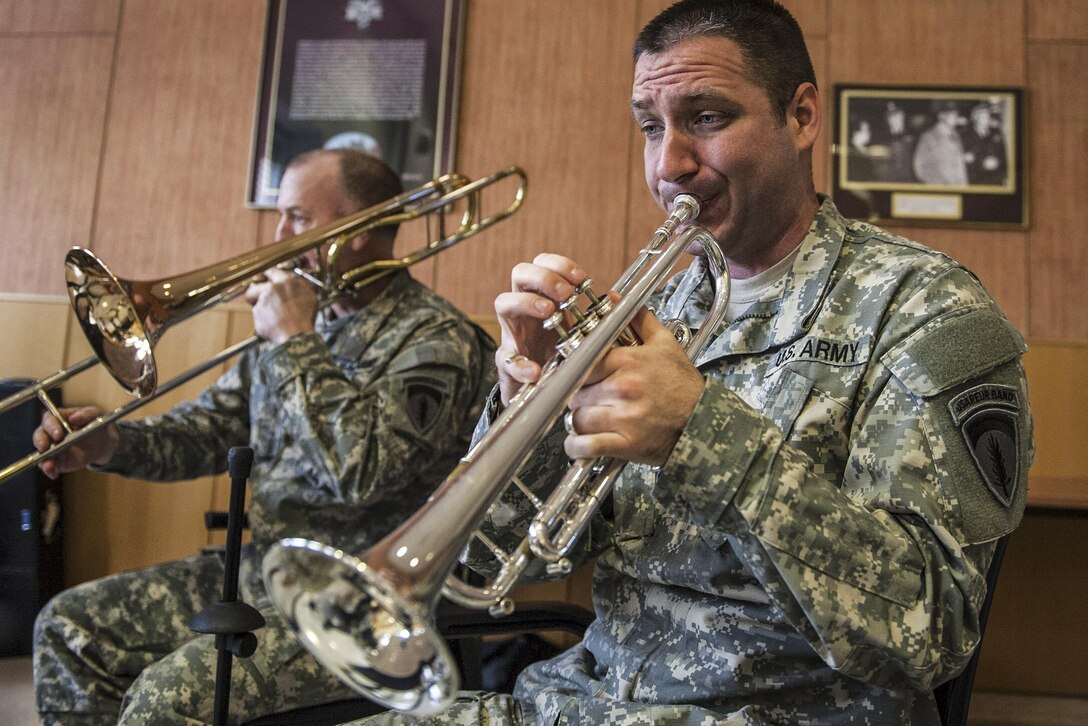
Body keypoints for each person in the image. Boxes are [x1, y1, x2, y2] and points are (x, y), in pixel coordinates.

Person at [349, 1, 1033, 724]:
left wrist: (703, 433)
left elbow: (932, 630)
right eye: (651, 125)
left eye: (706, 117)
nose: (668, 163)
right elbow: (490, 565)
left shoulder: (928, 312)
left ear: (801, 118)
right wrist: (530, 403)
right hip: (580, 702)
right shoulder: (664, 307)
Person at [31, 148, 497, 724]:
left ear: (359, 230)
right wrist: (107, 445)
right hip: (264, 575)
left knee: (164, 697)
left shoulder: (437, 339)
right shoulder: (301, 320)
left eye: (298, 217)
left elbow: (363, 472)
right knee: (66, 626)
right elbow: (206, 431)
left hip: (362, 606)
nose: (276, 235)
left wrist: (294, 340)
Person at [913, 99, 969, 185]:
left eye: (956, 114)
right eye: (952, 114)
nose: (956, 117)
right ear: (941, 116)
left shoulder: (956, 135)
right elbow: (920, 168)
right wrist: (939, 185)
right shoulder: (928, 137)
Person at [962, 102, 1008, 186]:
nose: (987, 119)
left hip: (996, 179)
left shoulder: (995, 133)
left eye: (988, 116)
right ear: (975, 118)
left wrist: (1003, 171)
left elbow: (1003, 154)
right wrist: (982, 163)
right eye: (984, 116)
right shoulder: (966, 137)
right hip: (978, 180)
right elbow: (966, 160)